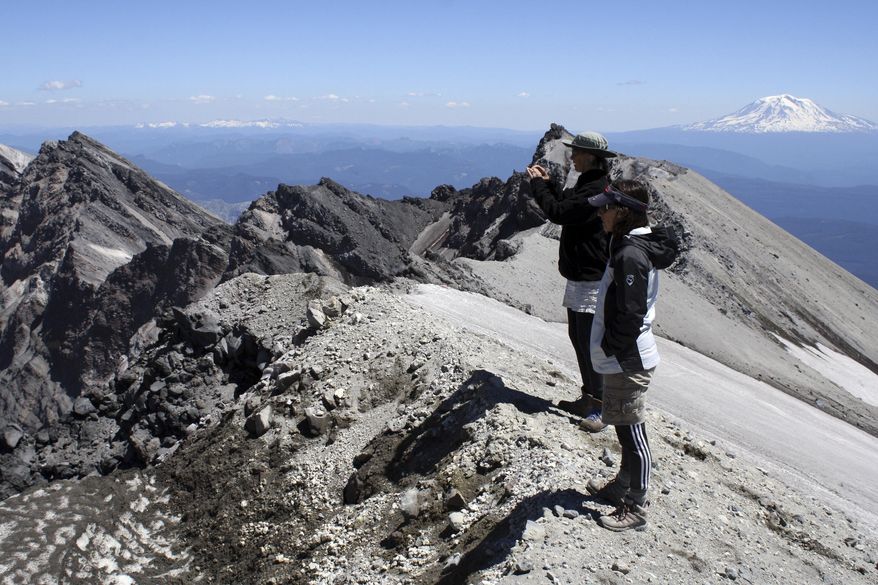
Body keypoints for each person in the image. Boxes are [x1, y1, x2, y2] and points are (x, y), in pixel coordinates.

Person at [583, 179, 678, 531]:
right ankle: (621, 487)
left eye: (606, 207)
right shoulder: (628, 246)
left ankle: (636, 506)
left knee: (632, 431)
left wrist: (612, 347)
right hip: (626, 356)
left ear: (622, 211)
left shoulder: (630, 254)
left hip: (628, 358)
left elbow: (631, 312)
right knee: (624, 428)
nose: (600, 213)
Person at [525, 131, 617, 433]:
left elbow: (560, 212)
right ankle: (590, 398)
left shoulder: (597, 189)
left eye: (575, 152)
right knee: (579, 337)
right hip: (583, 274)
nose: (571, 157)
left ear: (589, 156)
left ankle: (603, 407)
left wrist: (538, 185)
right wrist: (550, 184)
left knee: (590, 341)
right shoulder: (590, 183)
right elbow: (569, 202)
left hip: (592, 277)